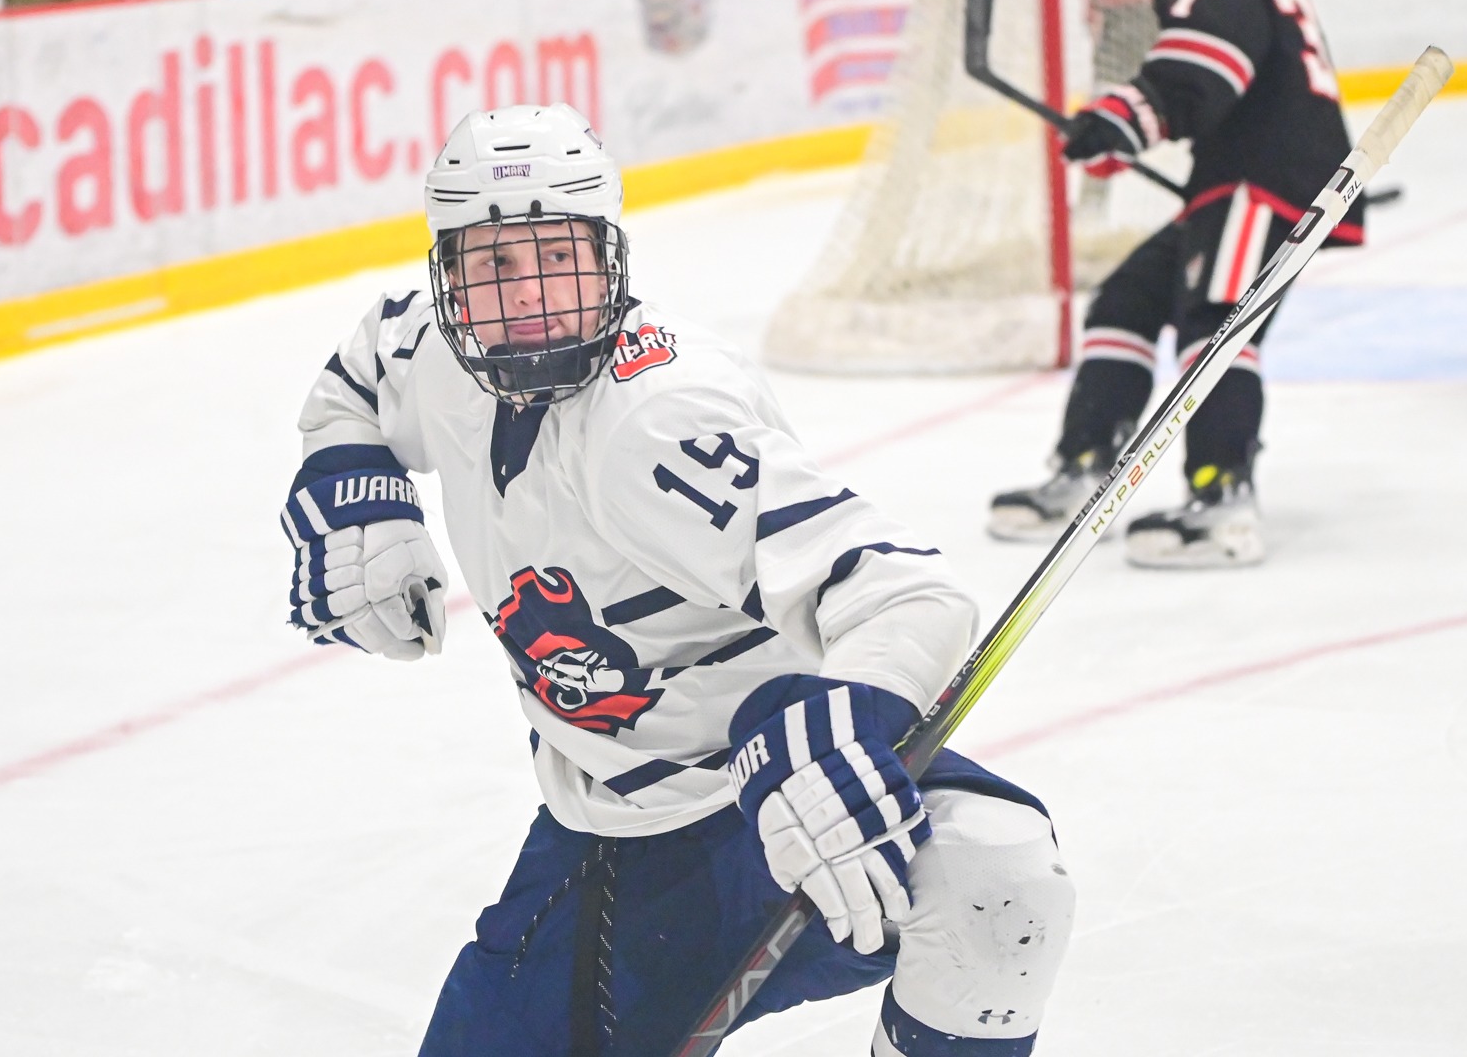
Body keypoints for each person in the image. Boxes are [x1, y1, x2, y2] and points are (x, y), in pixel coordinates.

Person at [279, 104, 1074, 1056]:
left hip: (786, 799)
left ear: (607, 257)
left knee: (995, 876)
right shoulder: (433, 354)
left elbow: (905, 593)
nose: (529, 294)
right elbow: (359, 373)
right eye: (494, 264)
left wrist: (838, 723)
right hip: (620, 846)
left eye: (559, 256)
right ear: (448, 275)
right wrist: (353, 487)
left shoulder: (655, 426)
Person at [988, 0, 1363, 567]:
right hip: (1233, 173)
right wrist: (1124, 125)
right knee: (1125, 302)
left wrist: (1131, 117)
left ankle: (1222, 499)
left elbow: (1214, 52)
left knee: (1217, 320)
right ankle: (1084, 470)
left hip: (1266, 179)